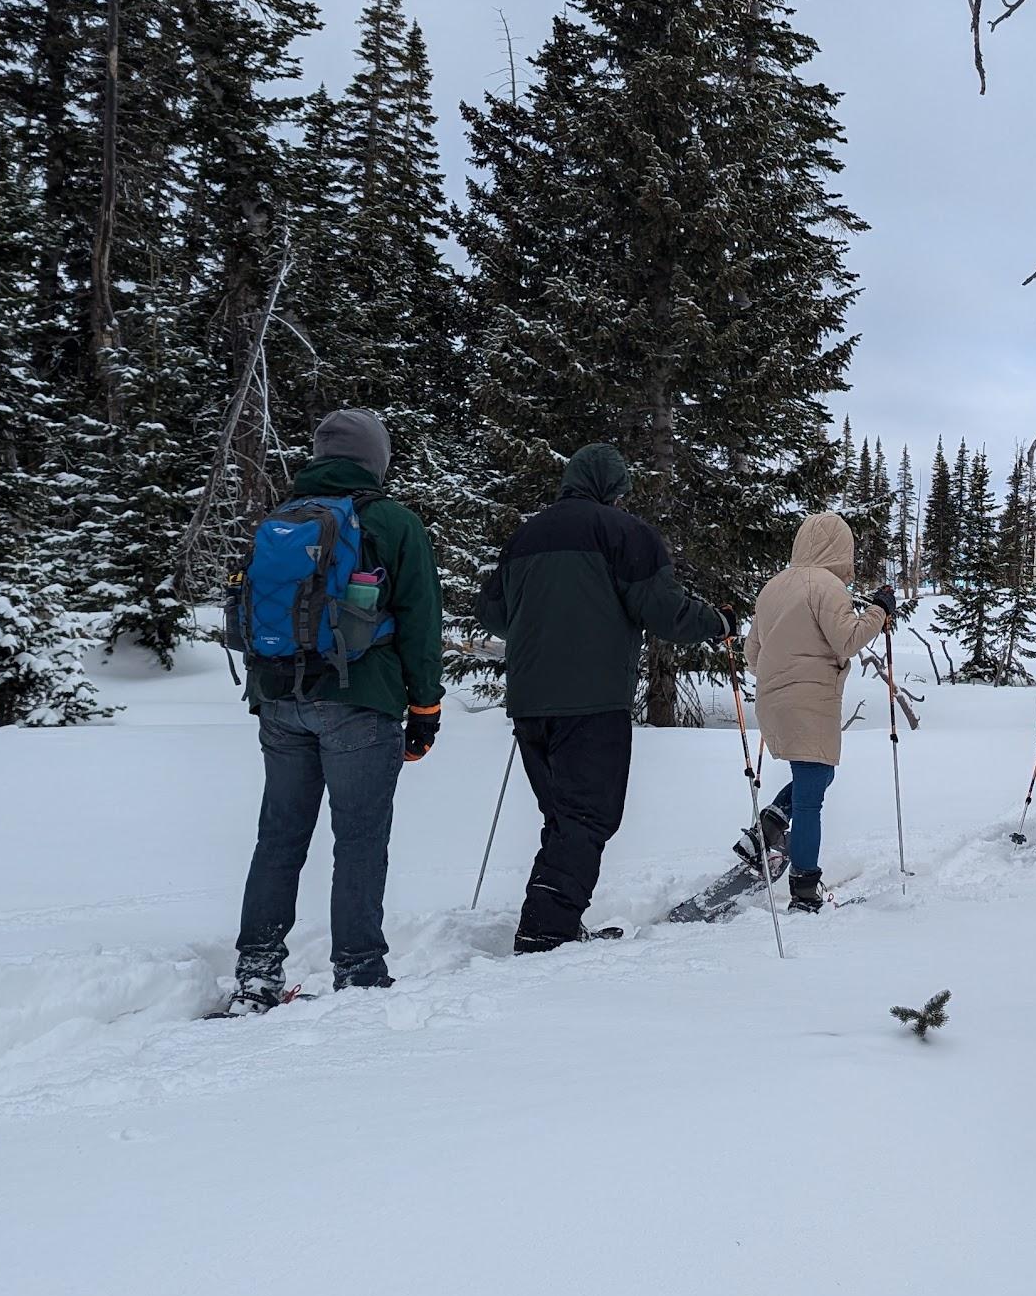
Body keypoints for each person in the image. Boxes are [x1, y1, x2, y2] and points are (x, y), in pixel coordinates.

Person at [475, 443, 731, 953]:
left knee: (564, 815)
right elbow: (661, 610)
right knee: (587, 816)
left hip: (530, 702)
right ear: (613, 489)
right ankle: (544, 930)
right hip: (591, 702)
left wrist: (543, 622)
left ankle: (552, 922)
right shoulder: (626, 534)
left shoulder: (525, 536)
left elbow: (494, 615)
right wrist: (716, 621)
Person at [233, 408, 444, 1007]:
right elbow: (421, 624)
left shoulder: (278, 519)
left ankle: (257, 971)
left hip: (278, 699)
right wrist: (424, 707)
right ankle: (359, 970)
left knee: (279, 837)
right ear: (373, 460)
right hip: (358, 700)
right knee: (358, 837)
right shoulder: (392, 521)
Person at [737, 512, 892, 912]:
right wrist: (878, 611)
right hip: (811, 701)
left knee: (820, 774)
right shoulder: (828, 586)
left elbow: (752, 656)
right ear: (841, 549)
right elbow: (848, 640)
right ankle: (805, 888)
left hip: (772, 700)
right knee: (810, 797)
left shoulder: (773, 587)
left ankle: (767, 827)